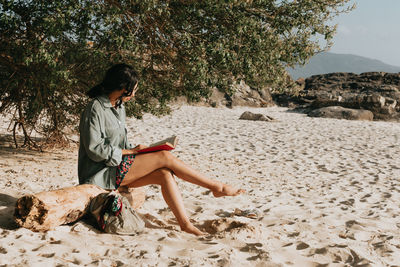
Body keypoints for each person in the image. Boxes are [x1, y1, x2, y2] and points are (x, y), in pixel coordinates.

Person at [78, 63, 245, 236]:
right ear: (122, 87)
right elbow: (95, 149)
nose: (134, 95)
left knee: (165, 174)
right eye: (132, 90)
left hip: (117, 167)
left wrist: (135, 149)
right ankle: (217, 187)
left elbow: (118, 143)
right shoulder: (95, 108)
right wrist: (129, 152)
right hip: (100, 173)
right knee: (164, 156)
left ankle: (185, 224)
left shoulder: (119, 107)